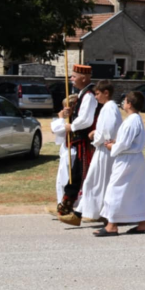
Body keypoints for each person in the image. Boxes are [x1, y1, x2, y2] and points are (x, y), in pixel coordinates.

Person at [95, 91, 145, 236]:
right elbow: (127, 141)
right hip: (135, 159)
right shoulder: (135, 119)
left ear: (130, 104)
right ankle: (142, 224)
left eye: (125, 100)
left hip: (127, 160)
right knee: (136, 191)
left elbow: (124, 144)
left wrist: (112, 147)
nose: (123, 103)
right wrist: (117, 142)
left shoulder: (131, 121)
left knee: (115, 190)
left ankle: (112, 225)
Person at [66, 80, 122, 226]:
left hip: (105, 150)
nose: (96, 97)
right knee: (93, 182)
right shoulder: (108, 108)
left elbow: (108, 131)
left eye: (97, 94)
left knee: (96, 182)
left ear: (106, 93)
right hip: (103, 149)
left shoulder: (110, 108)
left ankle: (88, 214)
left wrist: (95, 135)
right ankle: (81, 213)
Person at [57, 65, 98, 220]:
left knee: (81, 174)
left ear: (84, 78)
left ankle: (73, 208)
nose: (71, 79)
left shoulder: (89, 95)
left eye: (74, 76)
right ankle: (66, 206)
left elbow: (86, 119)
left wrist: (71, 126)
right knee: (76, 174)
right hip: (80, 142)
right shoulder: (82, 94)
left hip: (85, 142)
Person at [50, 95, 78, 211]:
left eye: (65, 107)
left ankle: (67, 205)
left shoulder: (75, 121)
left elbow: (56, 129)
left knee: (66, 180)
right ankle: (61, 203)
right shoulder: (69, 120)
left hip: (72, 152)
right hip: (66, 152)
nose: (63, 110)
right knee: (60, 180)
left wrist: (61, 118)